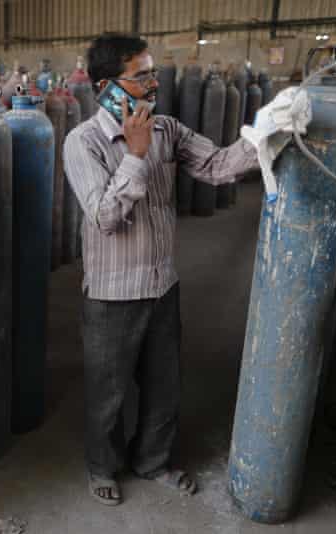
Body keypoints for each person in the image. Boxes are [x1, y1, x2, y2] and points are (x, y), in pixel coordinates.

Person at [63, 33, 260, 506]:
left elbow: (215, 166)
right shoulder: (82, 142)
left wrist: (269, 137)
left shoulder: (167, 129)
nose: (154, 83)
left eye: (154, 73)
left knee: (163, 386)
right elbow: (105, 217)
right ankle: (102, 466)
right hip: (112, 293)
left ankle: (152, 460)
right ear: (110, 86)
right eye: (142, 76)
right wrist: (134, 154)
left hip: (160, 284)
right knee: (107, 394)